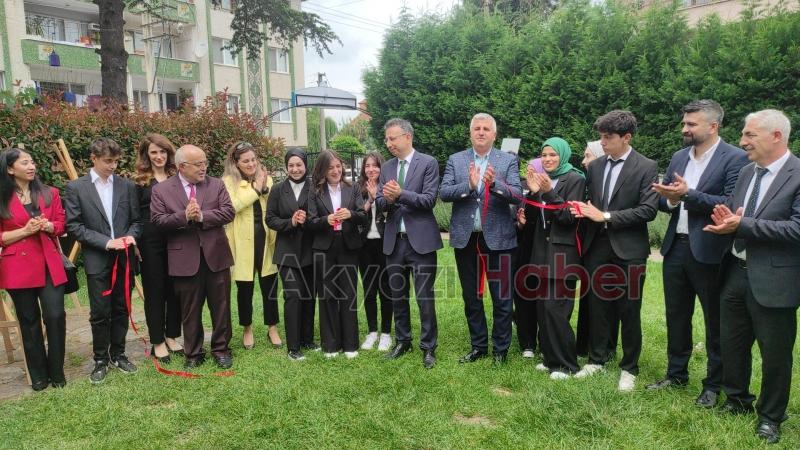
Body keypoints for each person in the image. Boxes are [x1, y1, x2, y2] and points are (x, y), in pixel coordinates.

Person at [704, 109, 800, 444]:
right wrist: (726, 221)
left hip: (775, 282)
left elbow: (797, 229)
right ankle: (737, 399)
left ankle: (771, 417)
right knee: (732, 344)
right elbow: (737, 212)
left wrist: (742, 225)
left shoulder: (798, 174)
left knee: (775, 354)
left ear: (777, 136)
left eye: (750, 135)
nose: (742, 142)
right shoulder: (747, 172)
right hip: (734, 272)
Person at [647, 100, 748, 408]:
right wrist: (673, 199)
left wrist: (687, 194)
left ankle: (713, 384)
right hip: (675, 246)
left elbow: (729, 202)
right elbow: (665, 201)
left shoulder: (736, 157)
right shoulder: (679, 156)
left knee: (714, 321)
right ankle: (675, 374)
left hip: (711, 250)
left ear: (713, 126)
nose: (684, 129)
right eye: (684, 123)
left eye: (691, 124)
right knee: (677, 315)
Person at [570, 110, 658, 391]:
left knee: (629, 308)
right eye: (601, 137)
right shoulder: (594, 168)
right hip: (597, 248)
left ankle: (629, 368)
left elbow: (648, 210)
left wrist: (605, 216)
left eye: (608, 137)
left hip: (630, 250)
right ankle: (596, 360)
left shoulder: (646, 166)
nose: (603, 142)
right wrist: (581, 211)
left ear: (627, 137)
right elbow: (591, 204)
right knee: (597, 305)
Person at [440, 113, 521, 365]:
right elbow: (444, 192)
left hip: (499, 238)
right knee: (471, 297)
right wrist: (470, 185)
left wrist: (494, 183)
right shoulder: (456, 160)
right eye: (477, 128)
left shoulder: (507, 160)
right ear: (470, 133)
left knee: (502, 296)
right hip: (467, 239)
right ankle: (478, 346)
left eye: (486, 129)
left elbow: (517, 195)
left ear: (494, 134)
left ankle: (500, 350)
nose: (481, 132)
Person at [150, 144, 236, 369]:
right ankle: (194, 353)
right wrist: (184, 216)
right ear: (181, 166)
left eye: (205, 162)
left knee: (221, 306)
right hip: (184, 259)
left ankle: (221, 349)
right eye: (198, 164)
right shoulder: (162, 190)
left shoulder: (216, 185)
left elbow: (228, 212)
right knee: (190, 309)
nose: (204, 167)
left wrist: (201, 217)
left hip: (216, 256)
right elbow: (158, 221)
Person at [65, 138, 141, 384]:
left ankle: (118, 353)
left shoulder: (126, 186)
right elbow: (74, 226)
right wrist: (106, 242)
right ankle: (100, 359)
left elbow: (137, 221)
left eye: (116, 161)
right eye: (108, 161)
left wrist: (130, 236)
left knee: (122, 307)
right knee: (99, 311)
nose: (112, 166)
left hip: (124, 257)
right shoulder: (77, 188)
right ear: (94, 158)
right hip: (98, 257)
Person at [376, 118, 443, 369]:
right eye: (387, 139)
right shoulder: (387, 167)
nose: (388, 143)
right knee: (398, 296)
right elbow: (380, 204)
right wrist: (389, 198)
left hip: (421, 243)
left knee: (424, 298)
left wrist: (400, 194)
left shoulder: (428, 163)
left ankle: (428, 347)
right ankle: (402, 341)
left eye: (392, 138)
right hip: (395, 242)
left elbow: (428, 200)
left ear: (407, 137)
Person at [0, 148, 67, 390]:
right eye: (24, 162)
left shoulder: (50, 193)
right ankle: (39, 375)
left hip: (49, 263)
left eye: (32, 161)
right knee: (28, 320)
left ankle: (57, 371)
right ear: (10, 169)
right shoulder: (1, 198)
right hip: (17, 265)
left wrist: (49, 225)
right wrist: (25, 231)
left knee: (55, 315)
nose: (31, 166)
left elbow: (61, 223)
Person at [524, 138, 585, 379]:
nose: (547, 159)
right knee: (543, 308)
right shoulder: (541, 179)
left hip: (563, 253)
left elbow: (569, 218)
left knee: (556, 309)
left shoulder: (576, 180)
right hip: (541, 252)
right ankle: (550, 359)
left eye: (553, 155)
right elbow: (532, 218)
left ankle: (566, 365)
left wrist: (549, 192)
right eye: (544, 155)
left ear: (563, 155)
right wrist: (533, 192)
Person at [222, 141, 283, 350]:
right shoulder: (228, 182)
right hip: (242, 243)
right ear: (236, 163)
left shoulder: (267, 178)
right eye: (245, 161)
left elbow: (275, 202)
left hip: (266, 239)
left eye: (253, 159)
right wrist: (256, 189)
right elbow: (233, 206)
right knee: (244, 289)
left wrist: (263, 187)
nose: (251, 164)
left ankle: (272, 327)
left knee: (270, 286)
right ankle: (247, 329)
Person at [307, 150, 367, 358]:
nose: (335, 171)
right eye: (330, 167)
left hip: (348, 246)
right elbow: (310, 222)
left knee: (348, 294)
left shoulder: (353, 188)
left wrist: (350, 214)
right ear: (323, 169)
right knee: (327, 294)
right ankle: (331, 345)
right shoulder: (315, 191)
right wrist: (327, 220)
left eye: (338, 166)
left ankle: (350, 344)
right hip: (324, 248)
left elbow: (363, 216)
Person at [133, 133, 183, 364]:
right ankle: (157, 341)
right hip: (149, 241)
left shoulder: (178, 177)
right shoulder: (138, 180)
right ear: (147, 155)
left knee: (176, 289)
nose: (159, 156)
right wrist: (134, 243)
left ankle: (172, 335)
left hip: (176, 238)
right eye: (154, 152)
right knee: (155, 291)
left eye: (163, 151)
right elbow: (133, 215)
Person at [265, 148, 318, 361]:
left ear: (306, 165)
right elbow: (270, 219)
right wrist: (291, 222)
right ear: (286, 167)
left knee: (309, 296)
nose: (295, 169)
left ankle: (307, 339)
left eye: (299, 165)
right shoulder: (278, 189)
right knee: (293, 296)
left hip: (311, 250)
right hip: (287, 253)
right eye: (291, 165)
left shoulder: (316, 187)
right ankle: (293, 347)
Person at [357, 151, 393, 351]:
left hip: (384, 243)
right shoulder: (357, 188)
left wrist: (378, 195)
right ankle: (372, 332)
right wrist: (370, 199)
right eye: (367, 166)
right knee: (369, 289)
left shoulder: (389, 186)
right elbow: (356, 213)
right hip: (364, 245)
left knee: (386, 289)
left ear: (381, 167)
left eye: (375, 165)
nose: (371, 169)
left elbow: (392, 211)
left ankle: (386, 333)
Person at [513, 158, 540, 358]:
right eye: (528, 171)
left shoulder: (549, 192)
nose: (529, 175)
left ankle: (546, 340)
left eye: (534, 171)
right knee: (524, 298)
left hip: (547, 252)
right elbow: (520, 221)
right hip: (525, 250)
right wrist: (520, 224)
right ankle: (527, 343)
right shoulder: (524, 191)